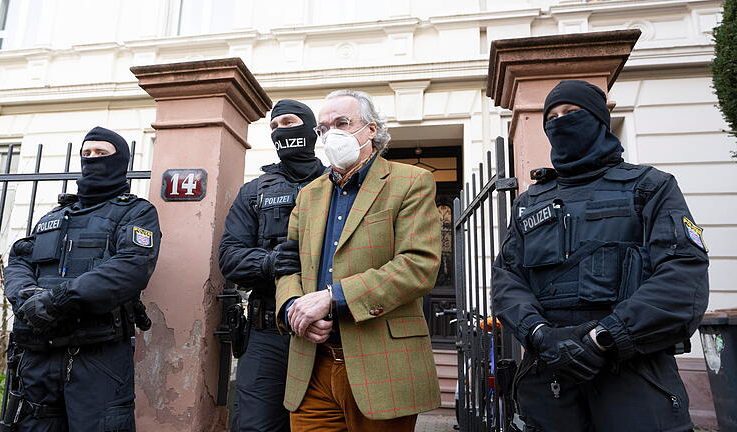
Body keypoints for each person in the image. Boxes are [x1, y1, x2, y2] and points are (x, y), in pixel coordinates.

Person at [492, 80, 709, 432]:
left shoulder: (651, 186)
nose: (561, 121)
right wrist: (540, 335)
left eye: (572, 113)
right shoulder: (529, 202)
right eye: (553, 116)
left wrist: (604, 338)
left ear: (598, 118)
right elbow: (507, 281)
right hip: (550, 382)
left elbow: (683, 281)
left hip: (634, 379)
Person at [275, 90, 442, 431]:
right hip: (313, 365)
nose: (331, 134)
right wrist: (295, 306)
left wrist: (332, 298)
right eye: (323, 128)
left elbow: (418, 265)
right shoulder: (309, 194)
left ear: (371, 130)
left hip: (382, 363)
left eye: (342, 123)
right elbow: (287, 261)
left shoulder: (411, 181)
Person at [3, 126, 161, 431]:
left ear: (120, 161)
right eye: (86, 154)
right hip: (39, 353)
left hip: (97, 356)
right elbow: (20, 258)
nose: (92, 159)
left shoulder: (137, 213)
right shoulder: (54, 216)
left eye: (101, 153)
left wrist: (57, 300)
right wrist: (25, 296)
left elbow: (131, 267)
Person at [219, 99, 326, 432]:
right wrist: (269, 262)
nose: (281, 131)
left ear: (310, 130)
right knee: (256, 425)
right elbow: (229, 256)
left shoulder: (340, 183)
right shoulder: (254, 192)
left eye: (289, 123)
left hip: (331, 331)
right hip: (269, 332)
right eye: (275, 127)